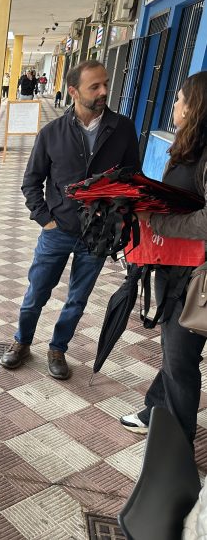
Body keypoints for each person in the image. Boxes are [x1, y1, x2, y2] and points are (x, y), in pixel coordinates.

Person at [2, 60, 140, 380]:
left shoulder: (123, 129)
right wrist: (45, 219)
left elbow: (133, 179)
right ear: (74, 91)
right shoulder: (52, 133)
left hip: (98, 235)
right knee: (36, 293)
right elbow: (31, 182)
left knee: (77, 299)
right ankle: (22, 342)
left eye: (105, 84)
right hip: (57, 230)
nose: (104, 91)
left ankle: (58, 349)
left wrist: (118, 217)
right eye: (95, 86)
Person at [120, 71, 207, 443]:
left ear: (193, 107)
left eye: (178, 99)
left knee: (180, 360)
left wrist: (157, 220)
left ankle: (177, 448)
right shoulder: (189, 147)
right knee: (175, 351)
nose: (174, 105)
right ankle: (155, 410)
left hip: (195, 278)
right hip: (175, 269)